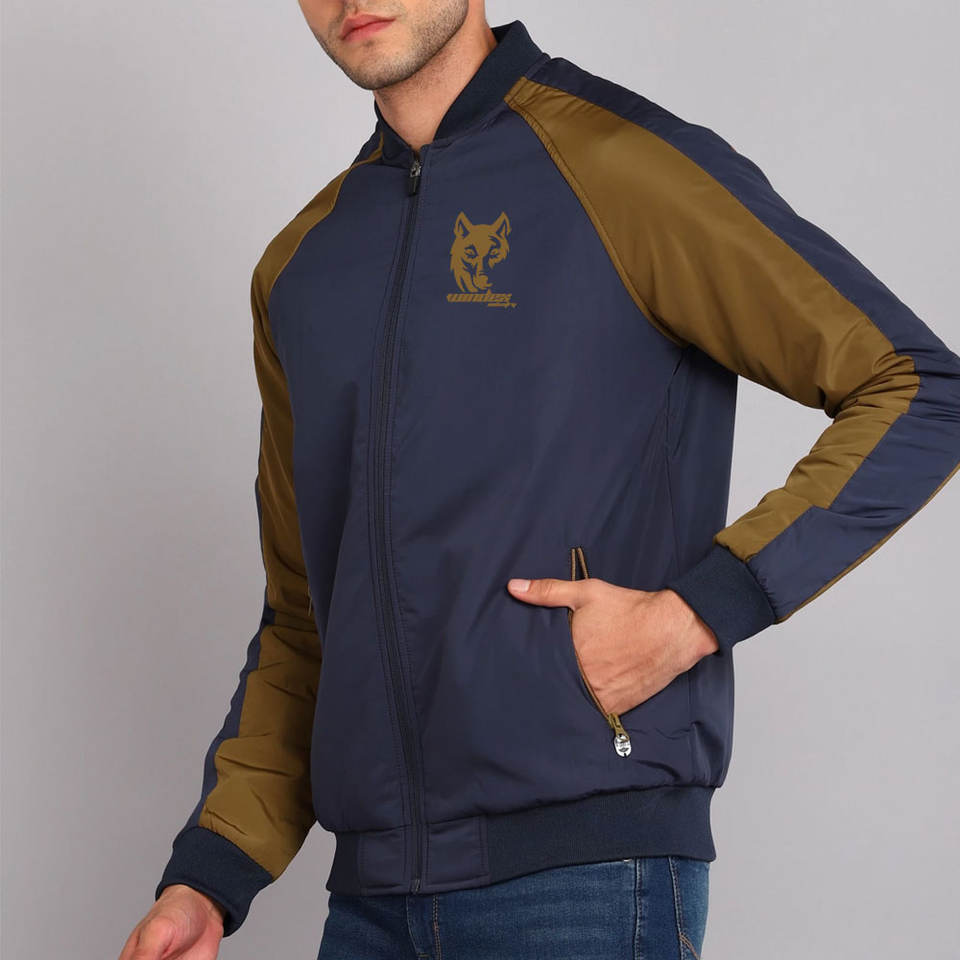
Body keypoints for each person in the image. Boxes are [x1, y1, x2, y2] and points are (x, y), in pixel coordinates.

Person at [117, 3, 960, 959]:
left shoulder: (619, 168)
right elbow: (310, 613)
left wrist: (695, 613)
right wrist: (211, 876)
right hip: (371, 904)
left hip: (583, 882)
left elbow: (915, 387)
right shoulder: (302, 268)